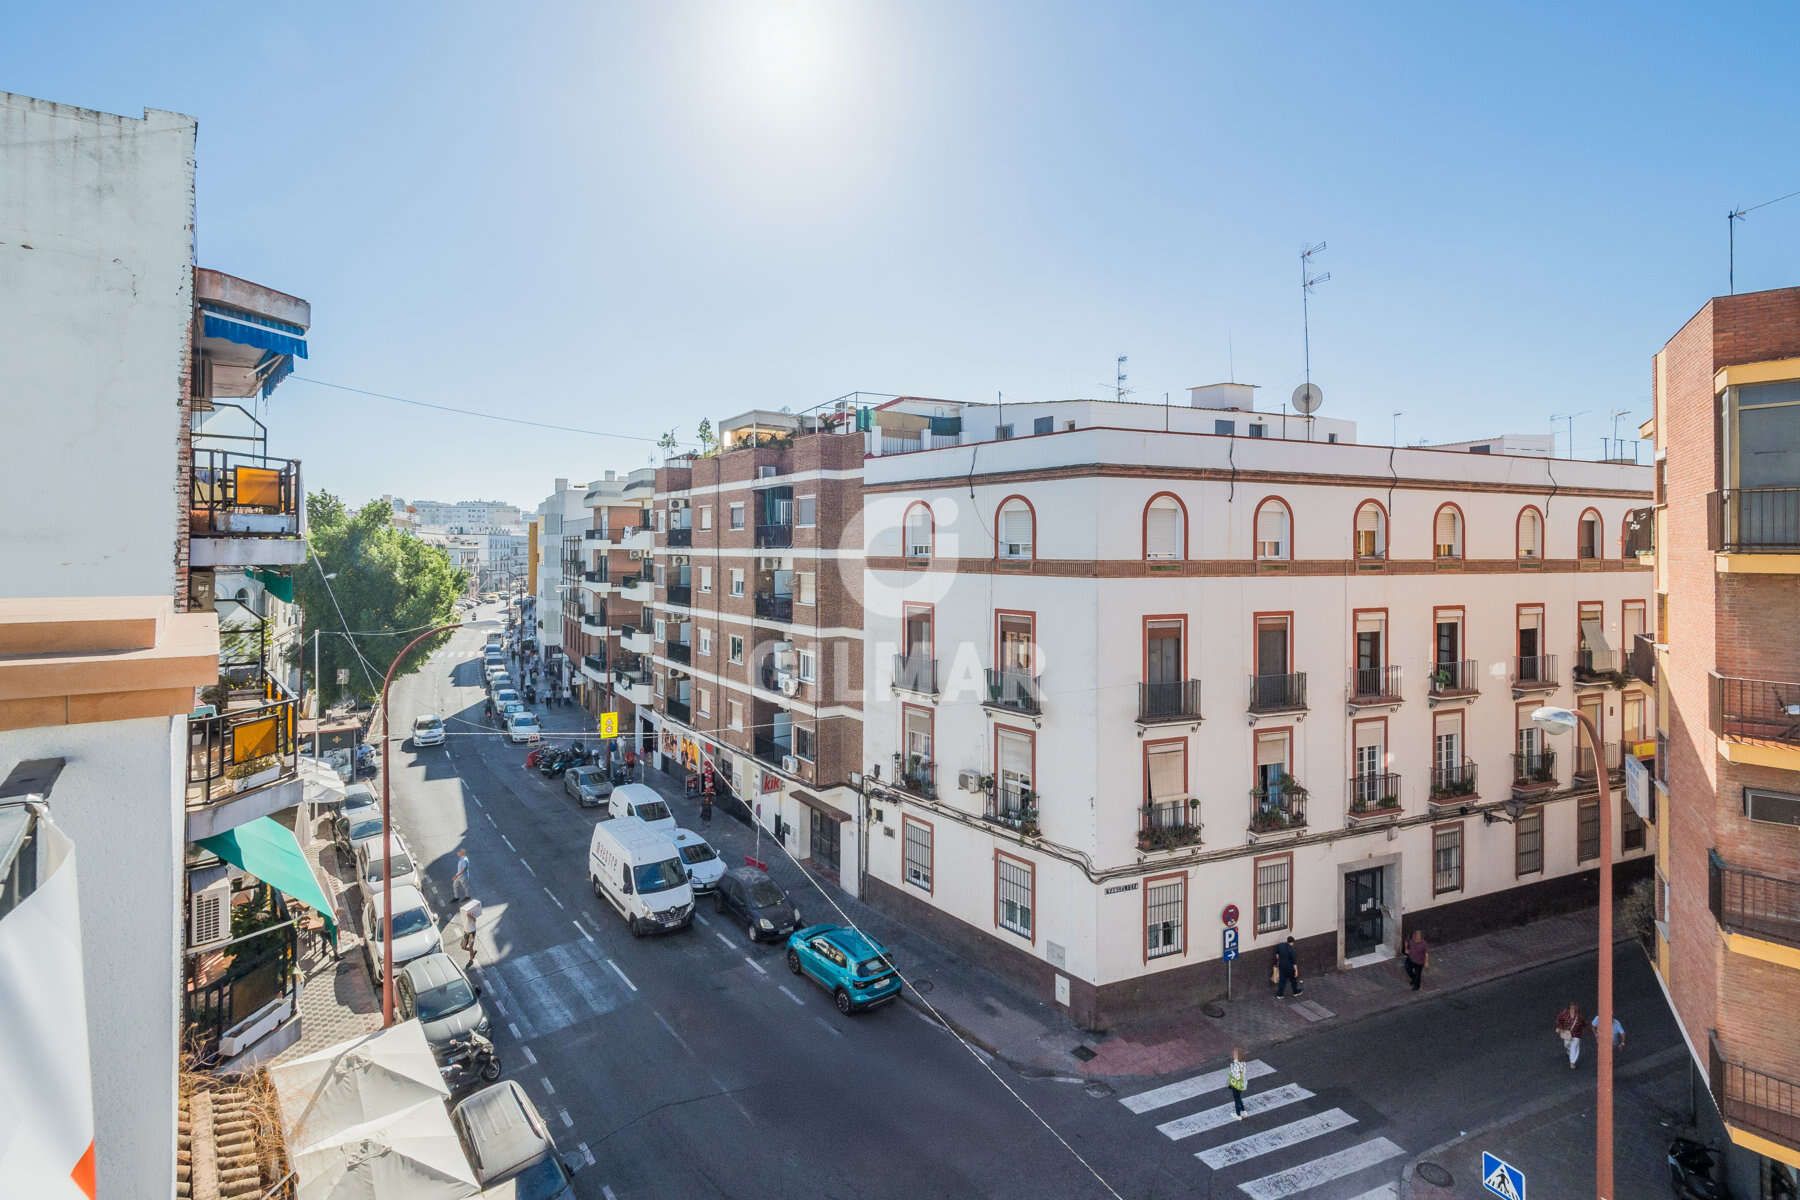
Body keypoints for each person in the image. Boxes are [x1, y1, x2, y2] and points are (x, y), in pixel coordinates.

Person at [1555, 1001, 1584, 1068]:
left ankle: (1572, 1062)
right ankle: (1569, 1051)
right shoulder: (1564, 1014)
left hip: (1576, 1034)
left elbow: (1583, 1023)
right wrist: (1559, 1028)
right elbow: (1559, 1020)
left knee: (1574, 1047)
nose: (1573, 1010)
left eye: (1574, 1008)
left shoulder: (1579, 1016)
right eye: (1571, 1008)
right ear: (1569, 1008)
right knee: (1566, 1045)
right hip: (1567, 1033)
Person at [456, 899, 482, 969]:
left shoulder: (472, 916)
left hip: (472, 932)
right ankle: (473, 952)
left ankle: (471, 960)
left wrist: (470, 916)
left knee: (470, 946)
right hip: (466, 932)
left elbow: (475, 920)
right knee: (463, 947)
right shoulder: (463, 914)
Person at [1226, 1047, 1249, 1119]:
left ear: (1237, 1056)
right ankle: (1244, 1111)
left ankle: (1238, 1115)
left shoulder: (1236, 1064)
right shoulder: (1243, 1063)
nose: (1233, 1054)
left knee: (1236, 1099)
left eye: (1235, 1054)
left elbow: (1237, 1076)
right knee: (1239, 1098)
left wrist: (1232, 1071)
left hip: (1236, 1085)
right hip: (1242, 1084)